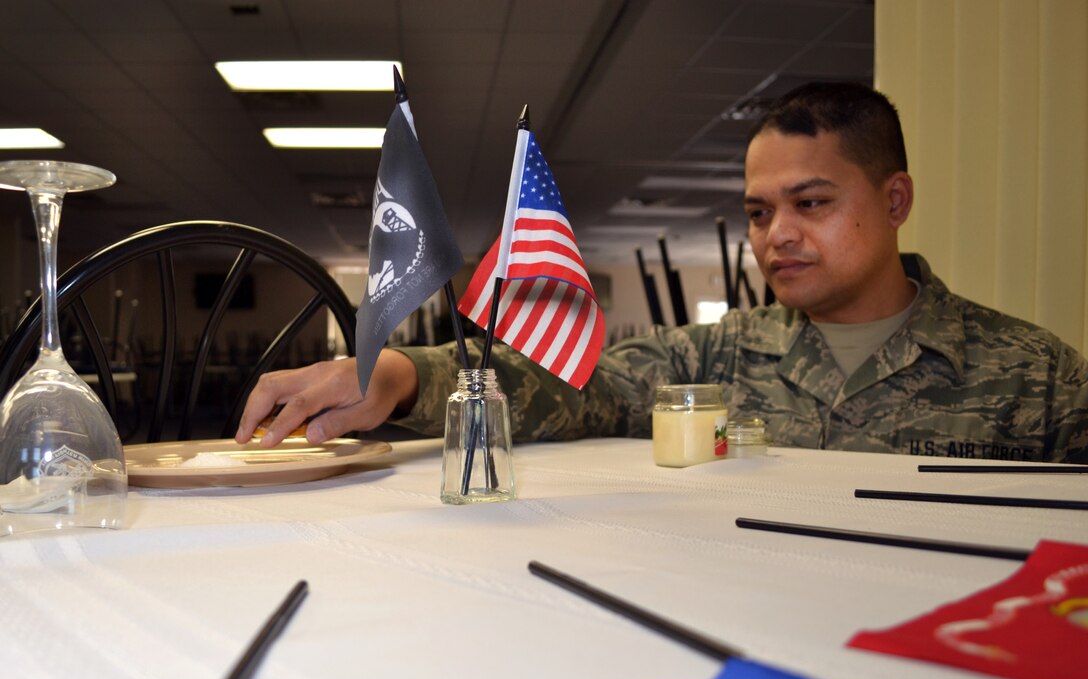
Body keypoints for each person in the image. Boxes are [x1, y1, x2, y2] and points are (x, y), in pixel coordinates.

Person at [237, 82, 1088, 463]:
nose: (776, 235)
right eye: (758, 212)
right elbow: (572, 384)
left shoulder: (1040, 381)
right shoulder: (714, 360)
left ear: (895, 198)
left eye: (812, 202)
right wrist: (397, 372)